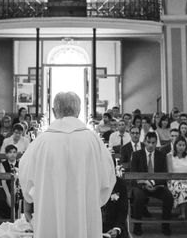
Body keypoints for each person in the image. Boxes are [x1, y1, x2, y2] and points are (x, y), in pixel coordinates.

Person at [18, 91, 116, 237]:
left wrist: (41, 195)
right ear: (79, 110)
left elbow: (26, 177)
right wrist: (91, 198)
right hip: (84, 211)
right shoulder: (93, 140)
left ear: (53, 111)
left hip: (49, 212)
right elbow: (107, 179)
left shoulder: (41, 141)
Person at [130, 131, 174, 236]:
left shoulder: (161, 155)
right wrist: (145, 183)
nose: (151, 145)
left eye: (153, 143)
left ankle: (165, 226)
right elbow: (133, 175)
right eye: (148, 142)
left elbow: (164, 175)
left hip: (157, 185)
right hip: (141, 186)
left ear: (156, 143)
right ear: (144, 142)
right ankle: (137, 226)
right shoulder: (136, 155)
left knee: (169, 197)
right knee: (139, 197)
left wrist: (153, 182)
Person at [166, 136, 187, 220]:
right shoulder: (169, 156)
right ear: (175, 145)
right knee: (181, 186)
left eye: (183, 145)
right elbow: (170, 173)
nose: (181, 147)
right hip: (174, 180)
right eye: (179, 145)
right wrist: (180, 179)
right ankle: (182, 213)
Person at [0, 144, 21, 217]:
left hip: (18, 186)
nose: (12, 154)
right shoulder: (3, 164)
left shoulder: (20, 163)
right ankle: (6, 214)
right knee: (2, 197)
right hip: (6, 186)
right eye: (10, 152)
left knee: (21, 197)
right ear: (6, 154)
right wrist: (8, 195)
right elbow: (3, 181)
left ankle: (19, 214)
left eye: (14, 152)